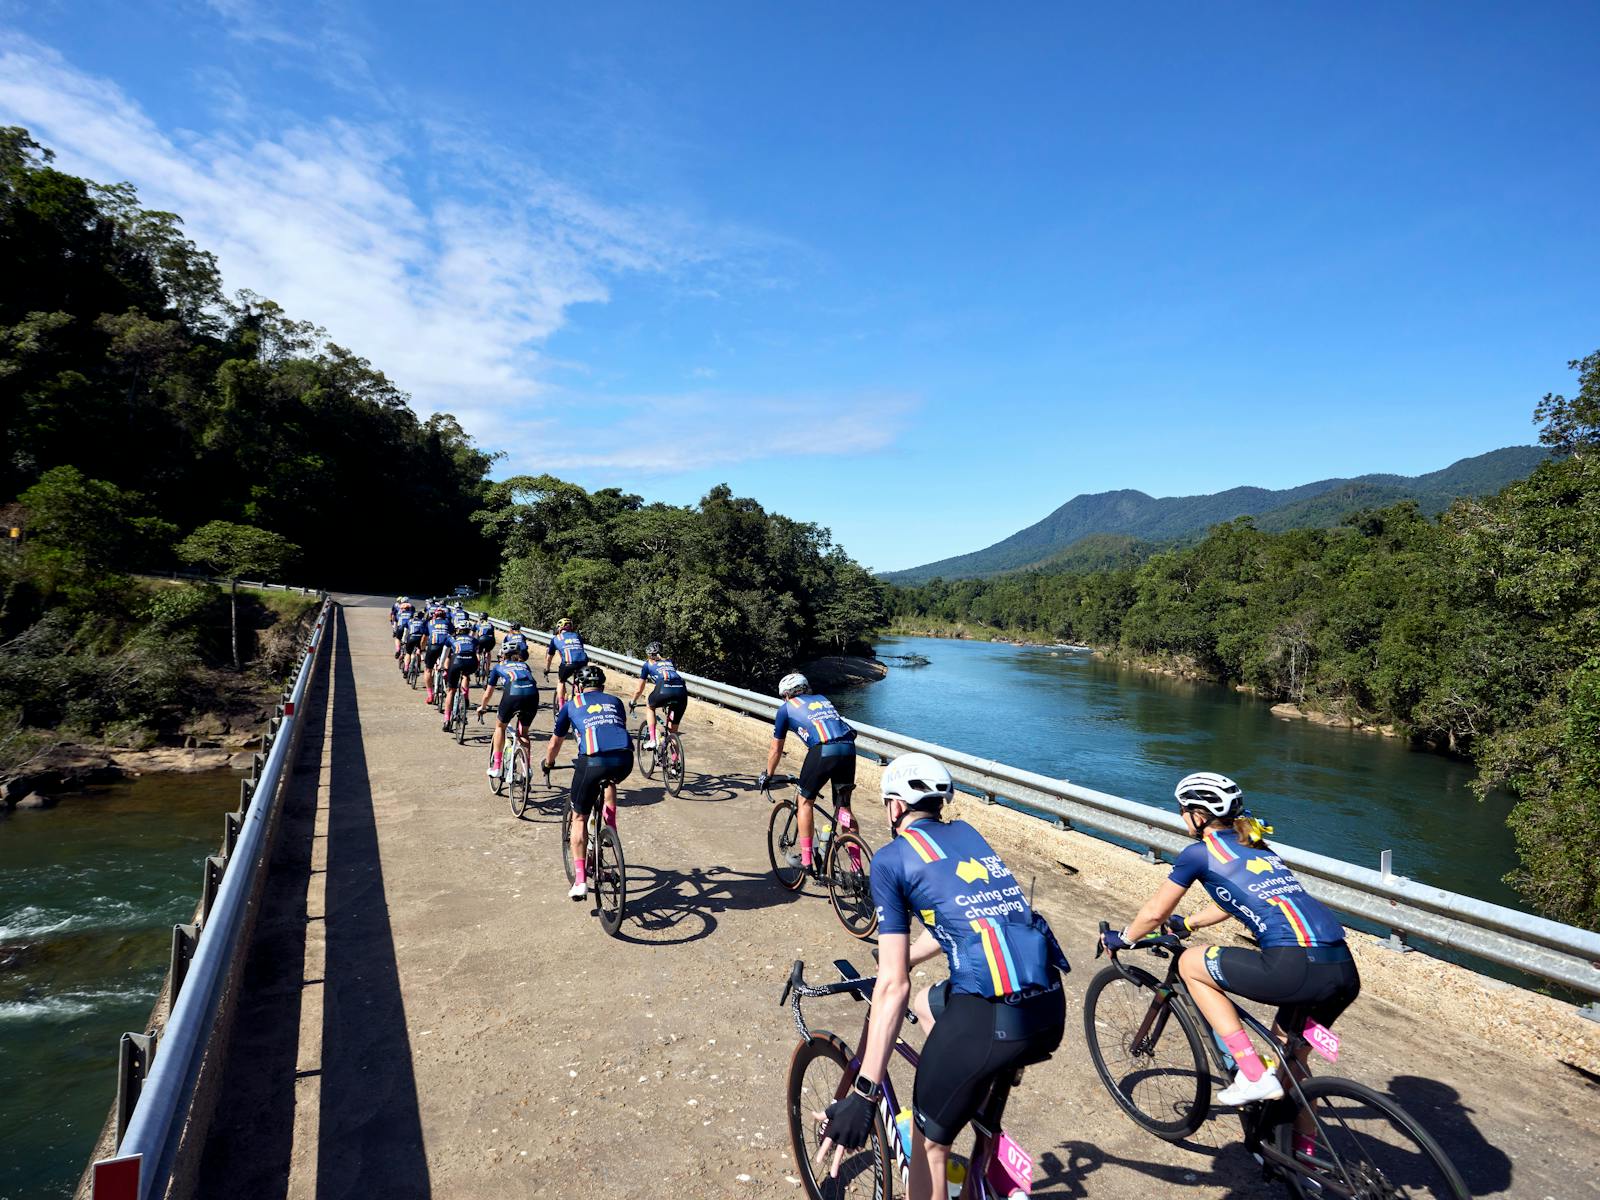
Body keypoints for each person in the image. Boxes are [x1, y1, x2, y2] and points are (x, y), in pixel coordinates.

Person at [817, 753, 1068, 1200]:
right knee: (926, 1004)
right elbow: (970, 916)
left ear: (895, 806)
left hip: (991, 1018)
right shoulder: (967, 835)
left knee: (930, 1144)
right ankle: (971, 1089)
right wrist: (910, 956)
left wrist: (865, 1092)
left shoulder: (892, 859)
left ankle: (954, 1100)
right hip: (1048, 1003)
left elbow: (892, 986)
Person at [1102, 771, 1359, 1118]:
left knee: (1189, 964)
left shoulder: (1199, 853)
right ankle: (1299, 1148)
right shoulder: (1254, 845)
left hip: (1293, 966)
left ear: (1199, 815)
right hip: (1342, 970)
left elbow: (1154, 913)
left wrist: (1123, 938)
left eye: (1182, 810)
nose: (1181, 817)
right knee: (1289, 1063)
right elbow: (1234, 899)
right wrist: (1188, 924)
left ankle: (1251, 1074)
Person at [542, 664, 631, 901]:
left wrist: (548, 763)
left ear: (579, 686)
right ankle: (610, 826)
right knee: (609, 779)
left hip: (592, 762)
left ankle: (580, 881)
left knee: (579, 818)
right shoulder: (615, 701)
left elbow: (555, 743)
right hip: (624, 760)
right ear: (602, 686)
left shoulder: (571, 705)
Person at [757, 672, 857, 872]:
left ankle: (806, 861)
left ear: (786, 695)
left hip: (823, 751)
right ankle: (856, 868)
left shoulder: (786, 709)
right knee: (844, 809)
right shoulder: (822, 699)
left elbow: (776, 749)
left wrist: (768, 774)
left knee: (804, 801)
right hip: (848, 748)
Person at [479, 642, 540, 778]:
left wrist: (482, 707)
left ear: (503, 655)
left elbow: (488, 692)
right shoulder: (525, 665)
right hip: (532, 695)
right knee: (524, 733)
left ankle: (496, 767)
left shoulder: (498, 666)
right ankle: (527, 769)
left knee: (500, 727)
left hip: (513, 694)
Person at [629, 642, 688, 750]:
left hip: (664, 689)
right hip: (682, 691)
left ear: (648, 654)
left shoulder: (647, 665)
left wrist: (633, 701)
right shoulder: (670, 661)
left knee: (650, 705)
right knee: (672, 731)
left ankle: (652, 740)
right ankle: (675, 760)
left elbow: (639, 689)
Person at [440, 622, 481, 730]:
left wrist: (441, 666)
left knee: (451, 691)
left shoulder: (451, 638)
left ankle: (446, 720)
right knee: (466, 675)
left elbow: (444, 654)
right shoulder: (474, 640)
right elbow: (477, 653)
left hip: (456, 662)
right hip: (471, 662)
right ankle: (465, 696)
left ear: (458, 630)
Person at [544, 617, 589, 708]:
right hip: (583, 661)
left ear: (559, 628)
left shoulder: (556, 639)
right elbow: (578, 649)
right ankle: (580, 696)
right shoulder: (577, 636)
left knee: (561, 681)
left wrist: (547, 669)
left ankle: (561, 707)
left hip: (568, 663)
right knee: (579, 681)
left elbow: (549, 657)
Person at [423, 606, 452, 704]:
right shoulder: (448, 622)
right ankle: (446, 673)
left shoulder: (430, 622)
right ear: (444, 616)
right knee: (447, 657)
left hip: (433, 646)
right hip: (445, 646)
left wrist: (422, 647)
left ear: (434, 616)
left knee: (428, 670)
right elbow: (453, 635)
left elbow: (424, 638)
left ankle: (430, 695)